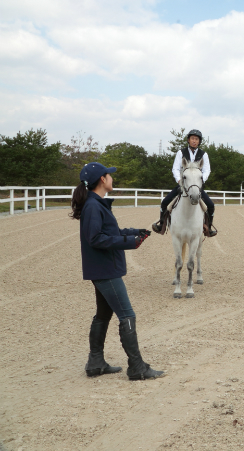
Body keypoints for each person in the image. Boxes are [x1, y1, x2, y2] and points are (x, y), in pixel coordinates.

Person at [70, 162, 165, 380]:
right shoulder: (94, 206)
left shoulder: (96, 203)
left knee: (103, 314)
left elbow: (109, 231)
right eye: (109, 175)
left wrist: (133, 233)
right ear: (102, 180)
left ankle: (95, 362)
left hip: (100, 268)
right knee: (127, 315)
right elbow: (95, 238)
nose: (112, 178)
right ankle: (137, 367)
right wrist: (129, 242)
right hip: (105, 270)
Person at [152, 129, 216, 236]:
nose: (194, 141)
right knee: (165, 202)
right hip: (183, 184)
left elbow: (207, 170)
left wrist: (201, 180)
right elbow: (175, 168)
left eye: (196, 139)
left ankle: (208, 228)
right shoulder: (181, 153)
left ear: (199, 141)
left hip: (196, 185)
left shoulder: (204, 154)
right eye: (192, 138)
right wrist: (179, 180)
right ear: (188, 140)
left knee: (210, 205)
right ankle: (161, 225)